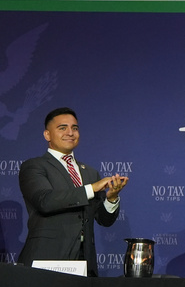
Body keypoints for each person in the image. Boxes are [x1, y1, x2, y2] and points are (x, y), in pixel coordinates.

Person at [18, 107, 128, 276]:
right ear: (47, 135)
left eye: (74, 128)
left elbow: (104, 220)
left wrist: (111, 198)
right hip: (47, 259)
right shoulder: (34, 166)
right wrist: (91, 188)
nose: (70, 133)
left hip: (85, 262)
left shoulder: (90, 172)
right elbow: (45, 201)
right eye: (62, 128)